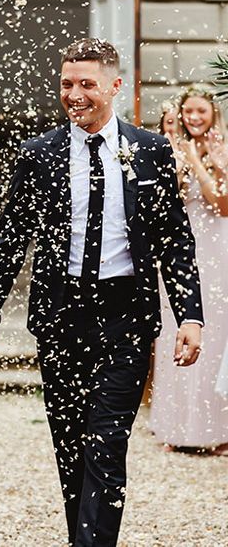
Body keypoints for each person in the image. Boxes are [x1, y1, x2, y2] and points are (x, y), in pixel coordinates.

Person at [0, 38, 204, 547]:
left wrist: (191, 316)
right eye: (66, 84)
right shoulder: (39, 154)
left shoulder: (152, 150)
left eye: (86, 85)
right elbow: (11, 240)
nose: (74, 95)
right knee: (71, 448)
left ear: (115, 86)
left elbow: (175, 240)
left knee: (107, 443)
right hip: (61, 318)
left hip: (127, 317)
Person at [150, 86, 228, 454]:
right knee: (174, 332)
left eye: (201, 112)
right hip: (181, 249)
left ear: (213, 114)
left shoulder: (221, 148)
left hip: (216, 248)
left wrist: (202, 161)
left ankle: (216, 430)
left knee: (215, 336)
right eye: (189, 112)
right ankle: (178, 427)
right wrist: (177, 162)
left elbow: (222, 203)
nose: (195, 118)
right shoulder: (171, 148)